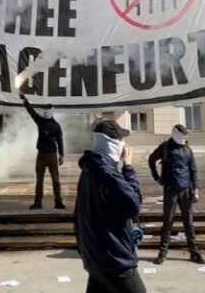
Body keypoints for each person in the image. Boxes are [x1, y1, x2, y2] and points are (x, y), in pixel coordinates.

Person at [74, 119, 146, 293]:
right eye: (121, 140)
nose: (124, 144)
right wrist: (128, 167)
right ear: (114, 143)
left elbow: (78, 215)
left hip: (95, 256)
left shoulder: (89, 168)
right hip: (115, 260)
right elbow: (133, 205)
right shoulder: (108, 173)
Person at [148, 124, 204, 265]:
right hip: (170, 189)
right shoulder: (166, 147)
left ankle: (194, 252)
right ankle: (162, 253)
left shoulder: (187, 149)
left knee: (189, 223)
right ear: (176, 134)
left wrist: (196, 189)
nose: (185, 137)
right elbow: (151, 159)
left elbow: (193, 170)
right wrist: (156, 177)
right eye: (183, 134)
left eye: (186, 135)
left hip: (186, 189)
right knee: (167, 222)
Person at [18, 91, 65, 210]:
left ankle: (58, 202)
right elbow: (31, 112)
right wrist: (25, 101)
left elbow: (60, 141)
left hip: (52, 155)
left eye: (46, 110)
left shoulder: (56, 126)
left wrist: (62, 155)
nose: (44, 112)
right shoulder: (41, 121)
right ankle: (38, 203)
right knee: (39, 180)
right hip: (41, 154)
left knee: (55, 180)